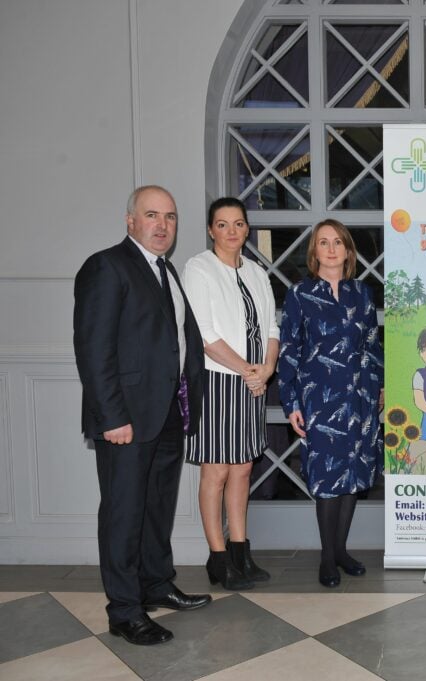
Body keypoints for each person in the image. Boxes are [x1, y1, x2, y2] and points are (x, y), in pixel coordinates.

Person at [73, 185, 211, 646]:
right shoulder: (106, 267)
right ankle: (125, 610)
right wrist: (112, 416)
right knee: (123, 514)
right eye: (152, 215)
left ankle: (156, 583)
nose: (162, 225)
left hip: (168, 414)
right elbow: (94, 350)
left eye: (170, 217)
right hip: (125, 421)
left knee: (155, 509)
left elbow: (178, 341)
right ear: (130, 220)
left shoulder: (166, 270)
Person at [278, 219, 383, 588]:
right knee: (326, 477)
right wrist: (290, 400)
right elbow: (290, 349)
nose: (332, 248)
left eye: (338, 242)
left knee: (353, 475)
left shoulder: (362, 294)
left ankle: (341, 550)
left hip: (361, 398)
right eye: (324, 242)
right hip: (320, 399)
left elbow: (372, 344)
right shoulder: (300, 294)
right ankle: (326, 557)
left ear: (348, 250)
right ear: (314, 252)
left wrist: (380, 388)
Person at [182, 197, 280, 591]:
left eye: (238, 224)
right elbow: (203, 333)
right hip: (219, 381)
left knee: (242, 468)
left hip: (254, 381)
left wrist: (267, 370)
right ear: (211, 230)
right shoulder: (198, 268)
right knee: (217, 470)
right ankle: (218, 557)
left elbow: (272, 326)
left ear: (247, 229)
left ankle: (241, 551)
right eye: (222, 224)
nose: (232, 231)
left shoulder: (257, 272)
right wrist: (248, 371)